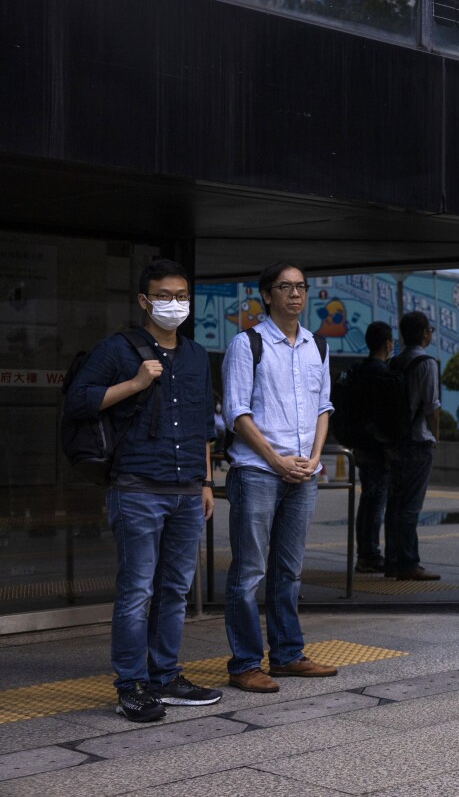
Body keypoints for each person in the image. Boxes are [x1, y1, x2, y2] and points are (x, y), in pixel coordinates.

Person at [66, 259, 222, 722]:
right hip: (137, 487)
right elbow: (78, 400)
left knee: (175, 588)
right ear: (144, 301)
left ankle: (165, 676)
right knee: (137, 590)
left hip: (187, 489)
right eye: (164, 296)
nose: (175, 304)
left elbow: (202, 426)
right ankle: (130, 684)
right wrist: (135, 383)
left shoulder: (196, 354)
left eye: (182, 296)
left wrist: (206, 482)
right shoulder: (118, 349)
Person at [222, 262, 338, 693]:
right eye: (284, 287)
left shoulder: (317, 346)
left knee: (289, 571)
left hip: (304, 473)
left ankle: (288, 655)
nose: (295, 294)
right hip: (257, 472)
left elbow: (324, 408)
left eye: (301, 287)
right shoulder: (246, 344)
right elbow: (236, 413)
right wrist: (276, 460)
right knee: (249, 570)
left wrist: (313, 458)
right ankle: (245, 663)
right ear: (266, 295)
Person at [384, 311, 443, 581]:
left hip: (394, 441)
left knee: (395, 503)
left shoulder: (394, 361)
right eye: (429, 329)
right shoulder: (426, 363)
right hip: (417, 442)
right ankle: (409, 564)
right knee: (410, 506)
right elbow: (431, 406)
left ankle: (392, 561)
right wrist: (437, 435)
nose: (431, 333)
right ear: (424, 333)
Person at [349, 322, 394, 573]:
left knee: (367, 499)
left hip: (360, 444)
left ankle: (364, 552)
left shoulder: (358, 369)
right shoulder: (383, 373)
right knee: (376, 500)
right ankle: (370, 554)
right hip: (378, 446)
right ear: (388, 344)